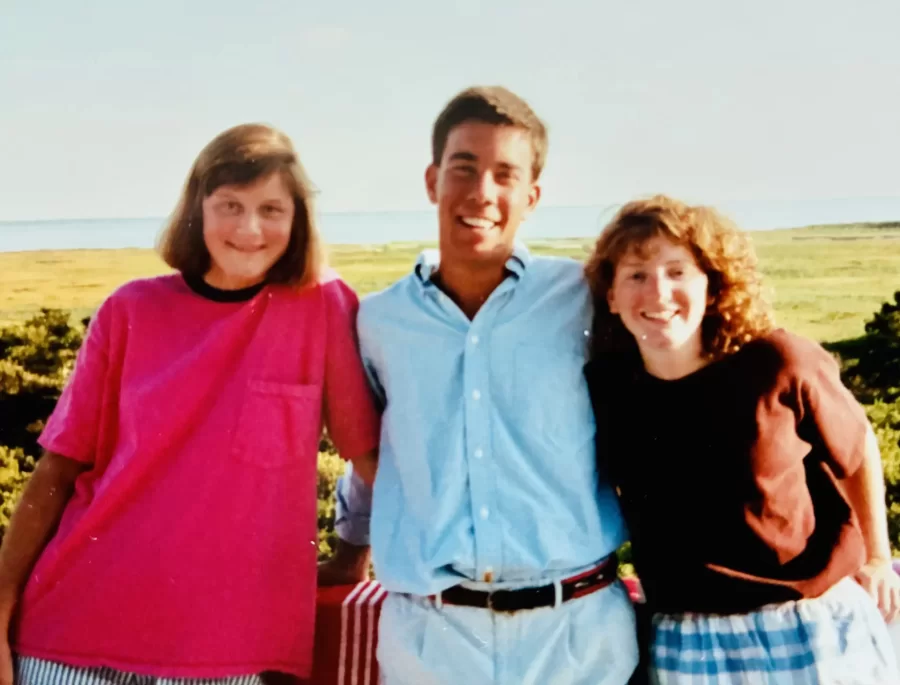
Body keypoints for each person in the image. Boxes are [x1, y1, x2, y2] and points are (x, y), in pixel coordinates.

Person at [0, 123, 380, 685]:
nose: (249, 229)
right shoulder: (129, 310)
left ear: (297, 220)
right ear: (197, 208)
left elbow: (371, 459)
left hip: (229, 652)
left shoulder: (322, 306)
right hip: (70, 636)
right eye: (230, 205)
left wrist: (360, 555)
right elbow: (57, 472)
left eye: (271, 209)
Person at [321, 85, 639, 685]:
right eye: (463, 168)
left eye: (505, 174)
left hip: (579, 636)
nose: (482, 192)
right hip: (430, 643)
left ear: (532, 196)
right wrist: (349, 552)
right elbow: (378, 448)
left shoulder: (582, 299)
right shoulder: (379, 321)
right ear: (432, 181)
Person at [582, 194, 900, 683]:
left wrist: (878, 557)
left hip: (811, 625)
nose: (658, 293)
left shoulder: (778, 362)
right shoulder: (609, 388)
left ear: (711, 286)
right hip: (688, 640)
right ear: (611, 297)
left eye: (677, 272)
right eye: (636, 276)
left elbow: (857, 450)